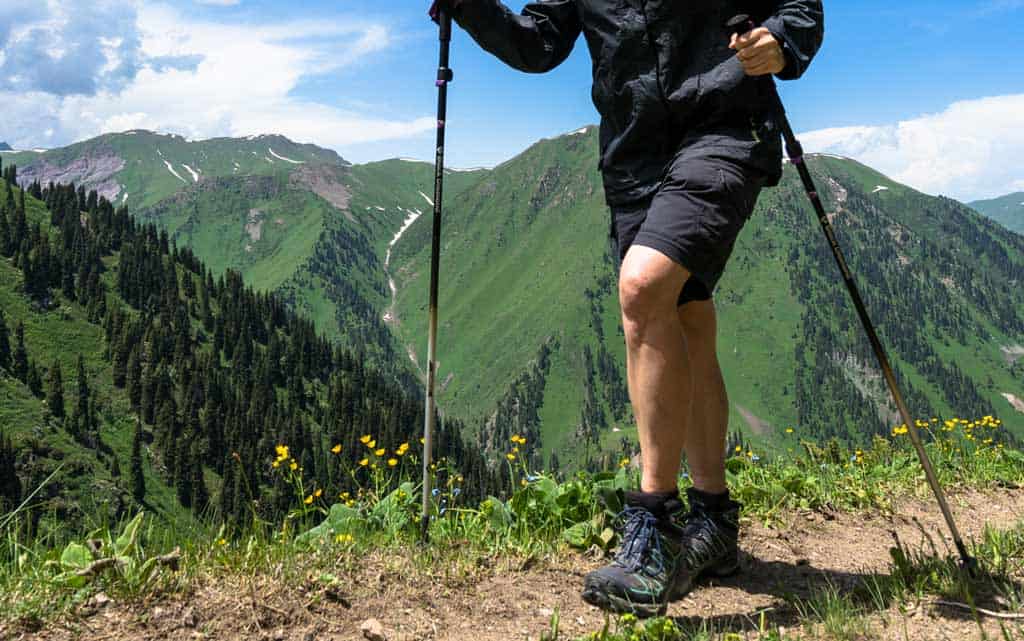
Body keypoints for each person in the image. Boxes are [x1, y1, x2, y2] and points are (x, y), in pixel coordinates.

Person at [432, 0, 824, 617]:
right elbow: (539, 44)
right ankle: (714, 519)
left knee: (643, 287)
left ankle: (655, 527)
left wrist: (782, 39)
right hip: (634, 159)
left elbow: (797, 7)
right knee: (687, 312)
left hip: (722, 130)